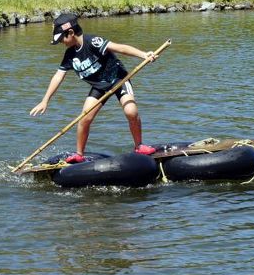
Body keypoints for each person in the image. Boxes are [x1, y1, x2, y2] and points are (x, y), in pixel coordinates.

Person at [29, 13, 158, 163]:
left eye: (62, 39)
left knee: (131, 111)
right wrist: (45, 100)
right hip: (99, 86)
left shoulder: (93, 42)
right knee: (84, 119)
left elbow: (120, 48)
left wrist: (143, 55)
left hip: (117, 79)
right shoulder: (70, 55)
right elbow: (58, 76)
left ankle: (139, 145)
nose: (61, 43)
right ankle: (79, 154)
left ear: (70, 32)